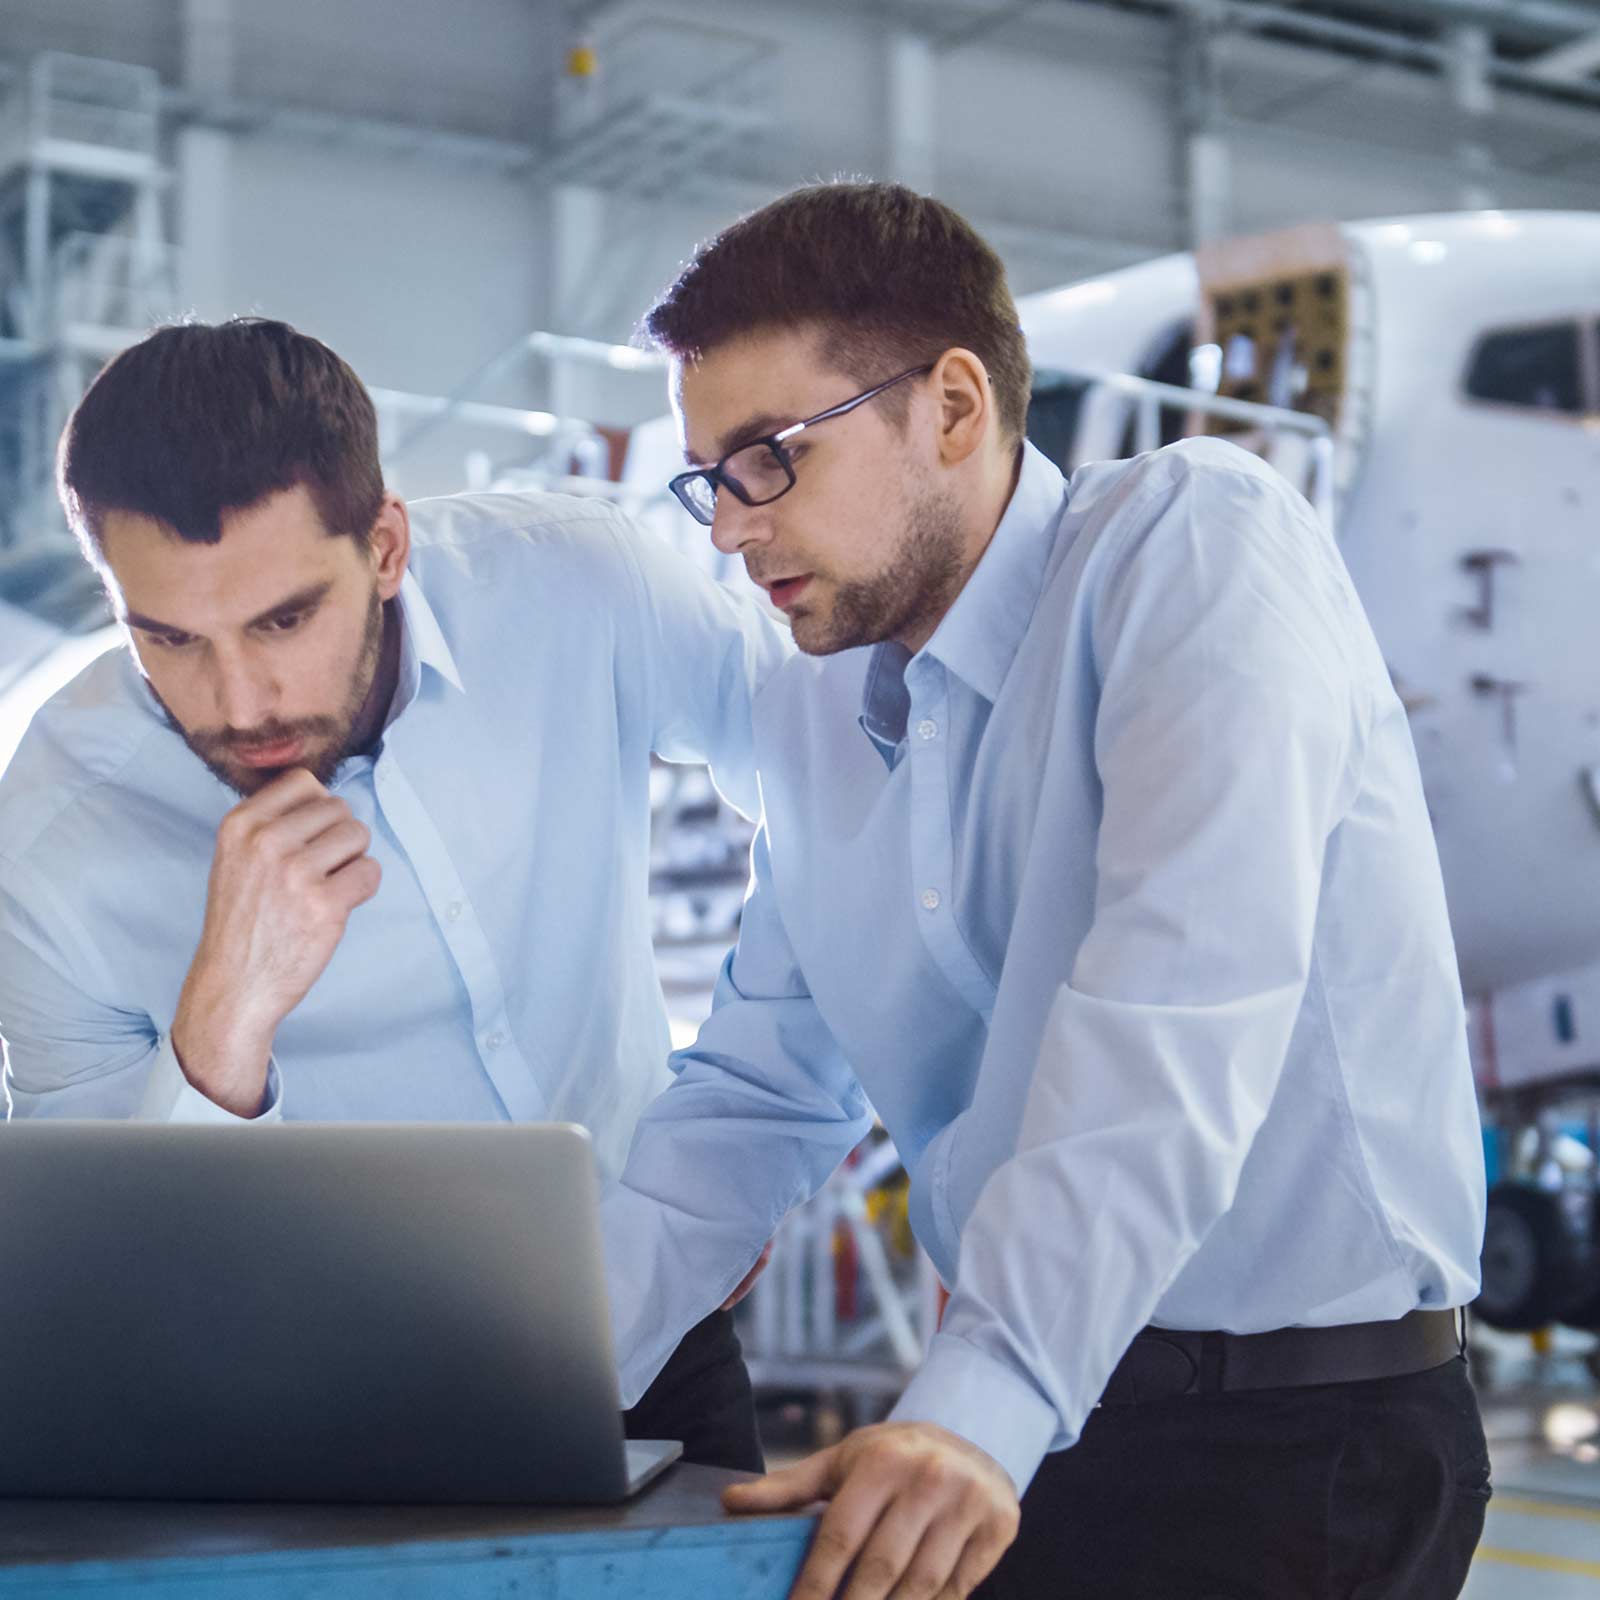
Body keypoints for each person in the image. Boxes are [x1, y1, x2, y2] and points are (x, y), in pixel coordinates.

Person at [600, 182, 1489, 1598]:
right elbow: (759, 1091)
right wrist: (547, 1370)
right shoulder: (811, 714)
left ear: (952, 407)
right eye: (709, 476)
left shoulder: (1194, 545)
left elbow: (1176, 1003)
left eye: (768, 459)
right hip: (1022, 1417)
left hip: (1293, 1439)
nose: (728, 528)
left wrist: (982, 1399)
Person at [0, 317, 790, 1472]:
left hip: (657, 1337)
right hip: (288, 1403)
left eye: (283, 618)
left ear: (382, 546)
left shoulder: (574, 582)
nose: (238, 701)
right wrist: (221, 1023)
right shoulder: (54, 847)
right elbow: (94, 1300)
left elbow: (842, 788)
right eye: (167, 638)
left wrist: (732, 1149)